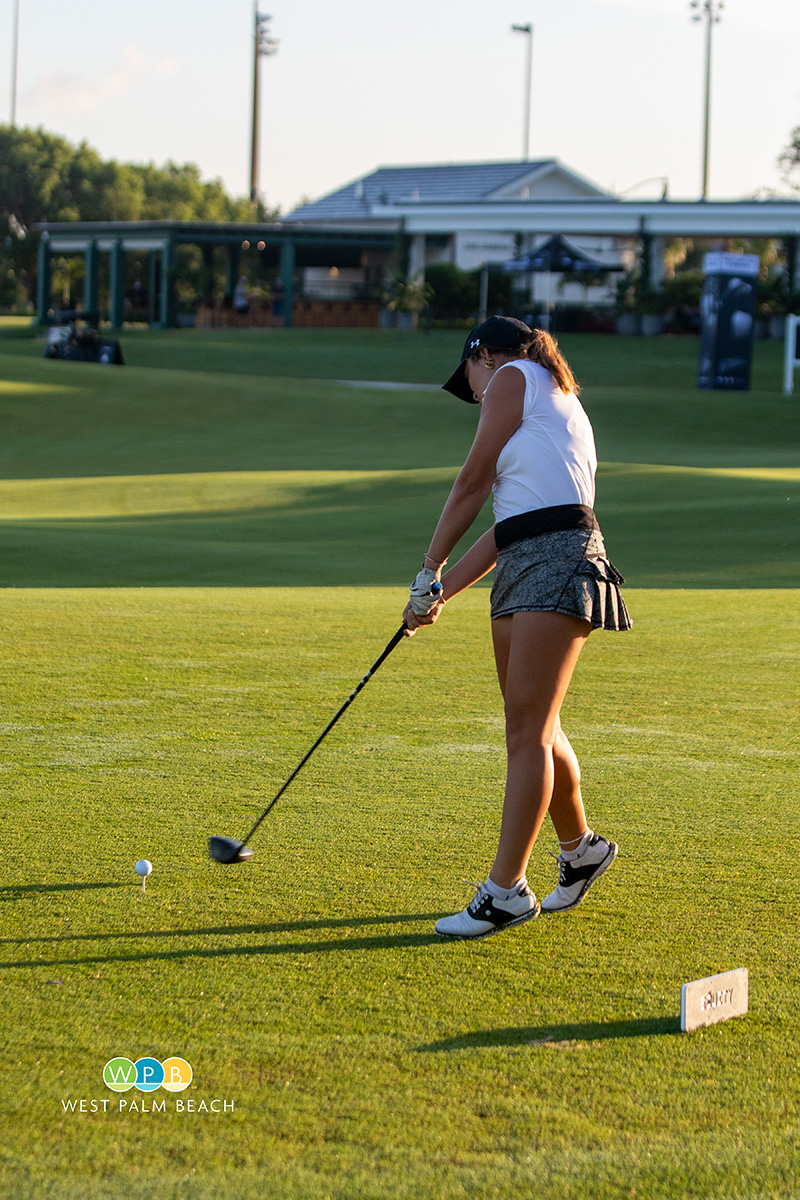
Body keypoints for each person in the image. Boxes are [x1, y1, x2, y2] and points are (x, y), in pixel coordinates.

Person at [403, 315, 631, 940]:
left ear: (482, 355)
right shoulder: (556, 395)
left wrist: (427, 567)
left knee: (527, 731)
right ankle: (581, 849)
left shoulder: (513, 376)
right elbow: (509, 528)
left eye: (468, 377)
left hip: (559, 559)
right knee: (534, 723)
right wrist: (441, 594)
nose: (473, 392)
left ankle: (506, 892)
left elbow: (473, 482)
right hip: (532, 556)